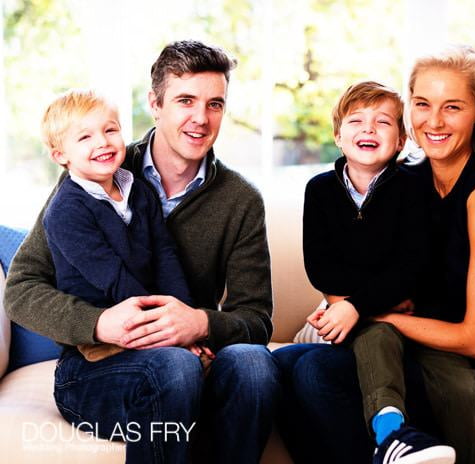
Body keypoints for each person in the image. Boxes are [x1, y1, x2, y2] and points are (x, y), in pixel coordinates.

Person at [4, 40, 279, 464]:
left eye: (215, 104)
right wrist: (99, 323)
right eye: (185, 100)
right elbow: (20, 290)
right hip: (99, 367)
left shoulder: (240, 200)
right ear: (154, 103)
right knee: (173, 369)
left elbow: (256, 320)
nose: (200, 119)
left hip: (189, 356)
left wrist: (198, 323)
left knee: (255, 365)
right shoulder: (95, 171)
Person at [275, 45, 475, 464]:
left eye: (452, 107)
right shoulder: (406, 181)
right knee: (278, 367)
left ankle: (394, 444)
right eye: (422, 104)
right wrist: (347, 305)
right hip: (406, 353)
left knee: (314, 372)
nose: (434, 121)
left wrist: (366, 311)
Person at [274, 81, 447, 463]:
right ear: (338, 136)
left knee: (369, 336)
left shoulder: (413, 190)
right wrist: (352, 303)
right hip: (345, 310)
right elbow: (321, 267)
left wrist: (356, 306)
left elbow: (410, 268)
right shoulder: (320, 190)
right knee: (277, 366)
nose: (368, 129)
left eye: (383, 122)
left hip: (389, 326)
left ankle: (392, 433)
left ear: (401, 140)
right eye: (356, 121)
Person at [41, 89, 195, 362]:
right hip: (106, 332)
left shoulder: (138, 190)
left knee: (199, 360)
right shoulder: (66, 211)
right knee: (178, 363)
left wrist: (182, 315)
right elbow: (113, 278)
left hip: (150, 313)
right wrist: (159, 327)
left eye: (110, 130)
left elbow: (164, 255)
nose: (102, 142)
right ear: (60, 155)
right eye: (85, 137)